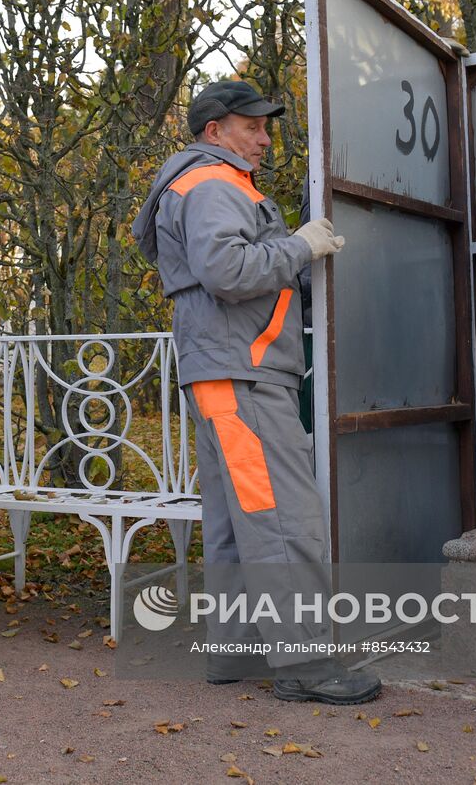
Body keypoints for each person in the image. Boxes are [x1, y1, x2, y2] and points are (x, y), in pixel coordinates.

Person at [131, 79, 381, 705]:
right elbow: (228, 272)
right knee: (281, 519)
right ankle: (307, 665)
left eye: (266, 127)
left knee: (236, 521)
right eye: (253, 127)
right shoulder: (212, 184)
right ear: (215, 132)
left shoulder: (202, 184)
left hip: (224, 372)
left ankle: (236, 652)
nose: (265, 139)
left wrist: (289, 249)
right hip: (242, 377)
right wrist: (300, 244)